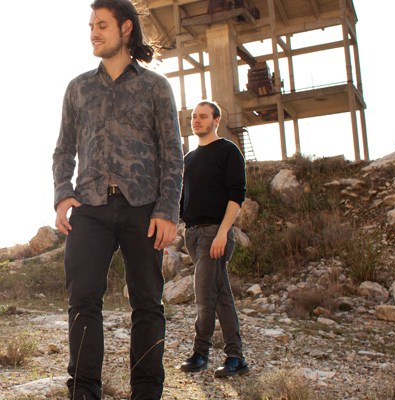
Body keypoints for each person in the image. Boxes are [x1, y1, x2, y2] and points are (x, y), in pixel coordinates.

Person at [52, 1, 183, 398]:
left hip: (143, 208)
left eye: (102, 25)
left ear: (126, 28)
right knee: (83, 302)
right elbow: (63, 150)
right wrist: (62, 194)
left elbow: (172, 153)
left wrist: (167, 210)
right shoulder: (78, 88)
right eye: (91, 25)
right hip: (89, 208)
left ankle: (146, 394)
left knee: (147, 304)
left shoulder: (155, 87)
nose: (94, 32)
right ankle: (84, 393)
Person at [177, 101, 249, 378]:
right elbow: (183, 198)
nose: (197, 120)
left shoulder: (228, 151)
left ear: (216, 120)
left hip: (214, 233)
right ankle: (236, 357)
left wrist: (222, 233)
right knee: (221, 296)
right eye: (194, 117)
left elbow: (236, 196)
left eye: (203, 116)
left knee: (204, 297)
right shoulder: (189, 159)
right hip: (192, 234)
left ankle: (200, 353)